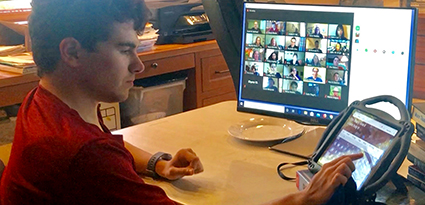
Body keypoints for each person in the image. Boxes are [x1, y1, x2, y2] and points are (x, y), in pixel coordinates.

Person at [0, 0, 364, 204]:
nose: (138, 64)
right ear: (72, 52)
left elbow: (108, 144)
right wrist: (302, 201)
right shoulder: (82, 155)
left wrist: (159, 163)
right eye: (126, 49)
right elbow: (95, 155)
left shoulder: (47, 101)